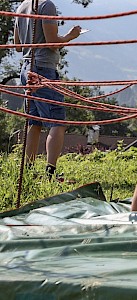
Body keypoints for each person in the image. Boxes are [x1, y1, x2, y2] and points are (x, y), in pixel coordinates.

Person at [14, 0, 81, 179]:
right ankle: (50, 173)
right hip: (43, 70)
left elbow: (18, 46)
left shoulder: (22, 6)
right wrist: (70, 36)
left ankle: (27, 170)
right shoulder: (46, 5)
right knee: (57, 122)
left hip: (26, 69)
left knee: (34, 121)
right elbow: (52, 43)